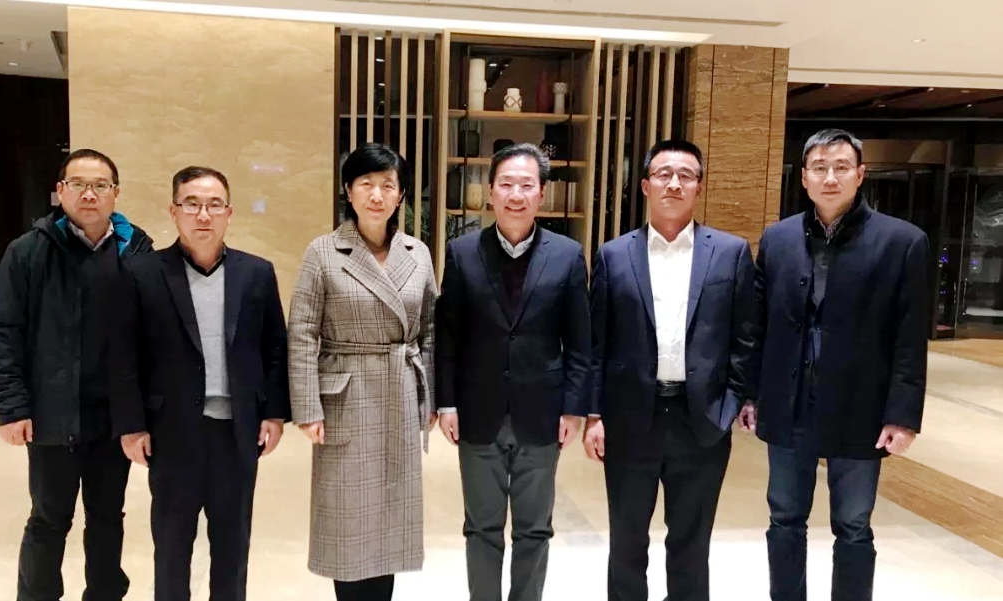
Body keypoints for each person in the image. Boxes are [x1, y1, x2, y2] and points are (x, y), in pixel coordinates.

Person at [739, 128, 929, 601]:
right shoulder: (778, 239)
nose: (830, 178)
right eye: (819, 168)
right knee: (784, 518)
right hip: (789, 404)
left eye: (841, 167)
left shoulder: (902, 242)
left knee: (853, 524)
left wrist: (903, 415)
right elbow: (757, 326)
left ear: (860, 174)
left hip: (861, 409)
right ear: (803, 177)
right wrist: (750, 394)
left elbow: (910, 338)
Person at [585, 139, 758, 601]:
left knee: (691, 545)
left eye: (686, 175)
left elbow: (746, 336)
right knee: (626, 542)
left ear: (699, 186)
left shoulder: (730, 253)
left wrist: (731, 403)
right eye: (664, 174)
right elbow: (597, 344)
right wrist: (595, 415)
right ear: (645, 185)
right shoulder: (613, 255)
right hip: (630, 420)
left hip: (700, 420)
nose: (674, 184)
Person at [109, 166, 290, 601]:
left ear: (229, 213)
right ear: (173, 211)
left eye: (213, 205)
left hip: (236, 432)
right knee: (172, 549)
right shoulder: (142, 273)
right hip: (171, 433)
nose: (203, 215)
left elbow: (274, 348)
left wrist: (274, 414)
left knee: (233, 547)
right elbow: (124, 355)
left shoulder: (256, 273)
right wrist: (131, 424)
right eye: (191, 204)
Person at [0, 148, 153, 601]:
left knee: (107, 517)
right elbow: (4, 331)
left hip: (112, 417)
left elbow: (150, 338)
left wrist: (144, 413)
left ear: (116, 193)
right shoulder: (28, 251)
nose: (89, 194)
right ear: (60, 192)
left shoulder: (137, 251)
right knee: (48, 518)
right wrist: (11, 407)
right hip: (50, 413)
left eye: (100, 185)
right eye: (78, 184)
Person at [435, 142, 591, 601]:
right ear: (490, 192)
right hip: (477, 412)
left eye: (526, 185)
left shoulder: (567, 255)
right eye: (506, 184)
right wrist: (447, 403)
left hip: (542, 414)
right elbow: (448, 336)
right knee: (481, 527)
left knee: (534, 529)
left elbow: (579, 341)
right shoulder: (462, 252)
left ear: (542, 193)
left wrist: (574, 408)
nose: (516, 195)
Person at [288, 143, 436, 601]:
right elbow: (302, 332)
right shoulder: (323, 252)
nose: (376, 195)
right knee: (348, 518)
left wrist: (428, 398)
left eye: (388, 185)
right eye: (366, 184)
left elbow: (430, 330)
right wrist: (307, 407)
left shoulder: (418, 252)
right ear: (348, 191)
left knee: (389, 518)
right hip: (346, 399)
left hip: (398, 391)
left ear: (401, 195)